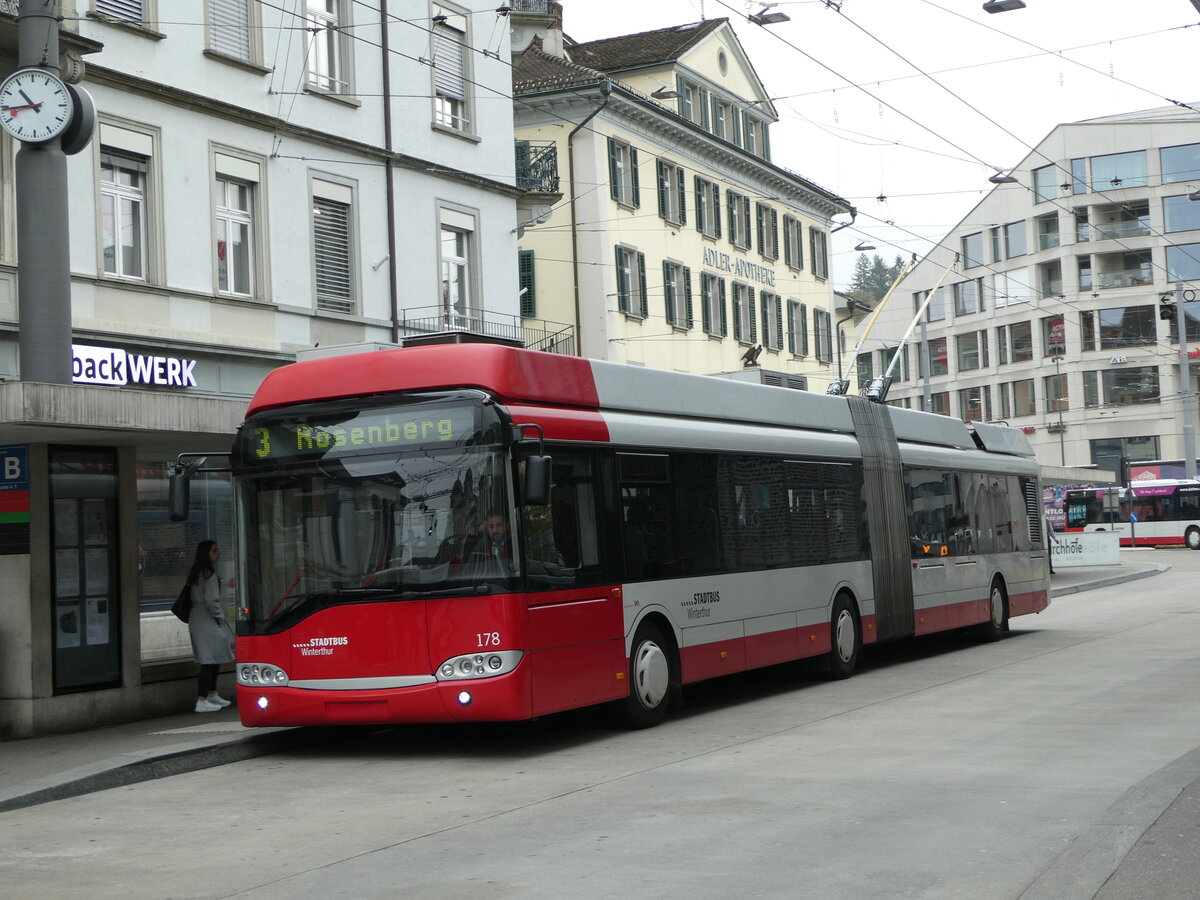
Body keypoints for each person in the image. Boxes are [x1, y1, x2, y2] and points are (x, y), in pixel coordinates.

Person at [187, 540, 234, 713]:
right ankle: (202, 699)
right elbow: (212, 600)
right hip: (207, 618)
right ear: (206, 553)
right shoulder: (209, 574)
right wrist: (220, 618)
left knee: (213, 657)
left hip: (198, 618)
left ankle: (212, 694)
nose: (218, 553)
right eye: (214, 550)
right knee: (209, 659)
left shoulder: (197, 572)